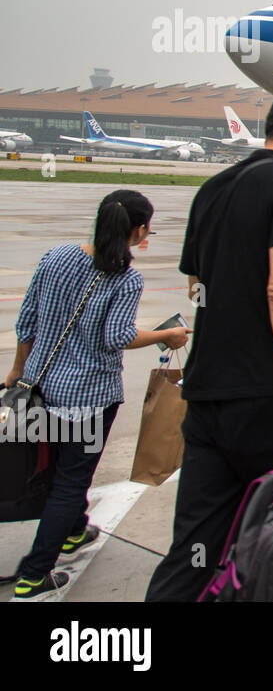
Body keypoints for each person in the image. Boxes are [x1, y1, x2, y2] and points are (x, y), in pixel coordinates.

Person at [145, 91, 273, 602]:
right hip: (268, 398)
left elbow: (196, 284)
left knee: (193, 551)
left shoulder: (213, 187)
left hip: (208, 399)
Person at [3, 191, 189, 598]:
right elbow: (116, 337)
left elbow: (27, 321)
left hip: (40, 388)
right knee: (72, 480)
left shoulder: (57, 257)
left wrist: (18, 370)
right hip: (88, 398)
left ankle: (73, 531)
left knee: (52, 470)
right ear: (138, 231)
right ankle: (35, 574)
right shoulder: (125, 277)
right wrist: (167, 334)